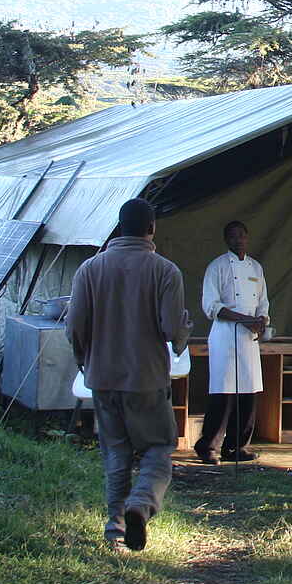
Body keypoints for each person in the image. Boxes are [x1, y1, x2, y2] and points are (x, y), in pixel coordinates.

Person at [65, 198, 189, 552]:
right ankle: (142, 502)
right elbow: (170, 329)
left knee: (115, 453)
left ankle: (114, 530)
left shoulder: (90, 269)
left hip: (103, 376)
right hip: (147, 378)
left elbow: (74, 326)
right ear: (151, 228)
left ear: (118, 228)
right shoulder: (165, 271)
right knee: (158, 448)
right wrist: (184, 331)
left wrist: (83, 360)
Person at [195, 219, 269, 464]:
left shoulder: (256, 268)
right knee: (223, 392)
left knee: (248, 391)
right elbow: (212, 305)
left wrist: (260, 321)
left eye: (242, 236)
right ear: (226, 240)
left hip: (248, 338)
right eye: (233, 236)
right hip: (225, 335)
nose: (238, 240)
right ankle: (208, 447)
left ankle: (236, 446)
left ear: (247, 238)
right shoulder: (216, 267)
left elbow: (263, 302)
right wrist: (244, 319)